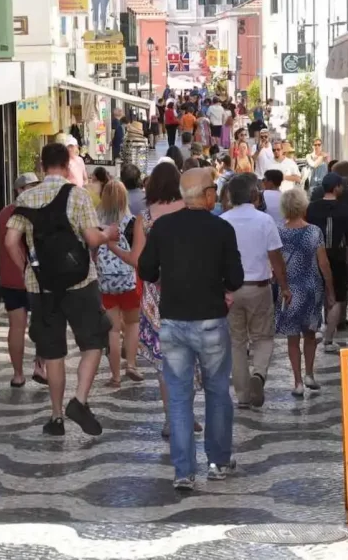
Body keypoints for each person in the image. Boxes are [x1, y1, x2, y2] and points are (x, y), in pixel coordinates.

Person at [138, 167, 244, 490]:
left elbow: (144, 268)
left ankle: (183, 470)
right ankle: (219, 461)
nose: (216, 194)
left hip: (173, 322)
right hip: (211, 321)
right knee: (216, 391)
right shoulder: (221, 229)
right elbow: (236, 278)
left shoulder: (163, 227)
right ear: (206, 194)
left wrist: (165, 278)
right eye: (214, 189)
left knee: (180, 396)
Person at [5, 143, 119, 437]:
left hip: (41, 288)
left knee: (52, 352)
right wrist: (109, 234)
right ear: (69, 166)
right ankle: (79, 400)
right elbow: (92, 240)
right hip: (80, 282)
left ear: (42, 167)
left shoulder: (26, 197)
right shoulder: (77, 196)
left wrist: (26, 271)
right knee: (93, 342)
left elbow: (10, 241)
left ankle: (56, 418)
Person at [109, 162, 202, 438]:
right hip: (190, 292)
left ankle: (171, 419)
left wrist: (113, 248)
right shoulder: (190, 211)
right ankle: (189, 413)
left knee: (165, 361)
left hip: (156, 297)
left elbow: (137, 261)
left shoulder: (145, 218)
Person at [222, 174, 289, 409]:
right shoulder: (265, 221)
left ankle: (242, 395)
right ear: (254, 195)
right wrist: (284, 286)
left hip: (231, 291)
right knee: (263, 337)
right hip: (259, 288)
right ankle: (258, 375)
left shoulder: (223, 220)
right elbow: (276, 258)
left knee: (236, 342)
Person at [276, 188, 334, 396]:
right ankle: (310, 373)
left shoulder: (279, 232)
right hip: (311, 289)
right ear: (303, 206)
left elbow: (276, 264)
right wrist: (330, 289)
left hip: (289, 290)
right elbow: (324, 263)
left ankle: (298, 382)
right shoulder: (314, 232)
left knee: (293, 337)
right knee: (310, 333)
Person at [0, 173, 47, 388]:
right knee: (42, 324)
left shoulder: (3, 214)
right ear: (19, 190)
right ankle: (39, 367)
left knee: (17, 327)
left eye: (36, 185)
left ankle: (18, 375)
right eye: (31, 186)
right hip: (32, 278)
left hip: (10, 279)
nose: (35, 189)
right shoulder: (34, 213)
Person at [97, 180, 144, 387]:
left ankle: (115, 376)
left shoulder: (97, 224)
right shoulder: (134, 222)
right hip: (129, 280)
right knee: (133, 324)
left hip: (105, 281)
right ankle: (131, 365)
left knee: (113, 330)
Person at [307, 172, 348, 353]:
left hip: (315, 257)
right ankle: (328, 339)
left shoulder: (311, 208)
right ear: (336, 187)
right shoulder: (344, 210)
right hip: (337, 257)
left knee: (316, 295)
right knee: (337, 298)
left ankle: (315, 330)